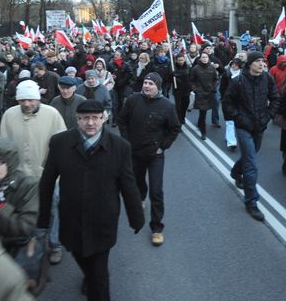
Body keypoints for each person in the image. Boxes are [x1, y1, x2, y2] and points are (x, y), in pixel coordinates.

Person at [38, 100, 144, 301]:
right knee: (79, 254)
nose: (90, 123)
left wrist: (136, 217)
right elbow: (47, 182)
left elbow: (128, 186)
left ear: (104, 118)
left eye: (95, 118)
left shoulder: (120, 147)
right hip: (72, 219)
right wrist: (43, 219)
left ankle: (95, 281)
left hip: (102, 221)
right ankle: (90, 275)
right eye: (85, 118)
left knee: (99, 278)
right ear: (77, 120)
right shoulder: (60, 143)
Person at [0, 79, 66, 263]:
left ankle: (55, 245)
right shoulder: (9, 115)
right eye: (23, 101)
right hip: (19, 177)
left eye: (31, 100)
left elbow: (61, 145)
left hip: (48, 175)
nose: (27, 104)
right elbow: (4, 146)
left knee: (52, 210)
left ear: (38, 98)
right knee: (24, 212)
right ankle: (30, 243)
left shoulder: (52, 114)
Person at [118, 72, 180, 246]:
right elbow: (122, 120)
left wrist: (163, 146)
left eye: (151, 84)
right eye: (145, 82)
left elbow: (174, 128)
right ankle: (140, 197)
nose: (146, 86)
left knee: (157, 191)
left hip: (155, 155)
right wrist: (126, 141)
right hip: (135, 152)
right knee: (138, 183)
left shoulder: (166, 106)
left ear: (158, 87)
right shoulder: (132, 100)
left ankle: (157, 228)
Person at [223, 51, 279, 221]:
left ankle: (235, 171)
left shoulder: (267, 79)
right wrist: (239, 118)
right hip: (243, 127)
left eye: (264, 61)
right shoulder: (237, 81)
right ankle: (251, 202)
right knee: (251, 164)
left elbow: (276, 98)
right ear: (250, 64)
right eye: (259, 61)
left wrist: (268, 116)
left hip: (260, 126)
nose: (262, 64)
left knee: (251, 155)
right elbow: (227, 103)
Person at [190, 51, 218, 140]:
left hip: (209, 93)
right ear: (200, 58)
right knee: (203, 112)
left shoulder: (212, 68)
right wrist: (195, 89)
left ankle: (200, 124)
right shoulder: (195, 69)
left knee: (204, 112)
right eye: (203, 57)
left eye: (206, 57)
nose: (205, 59)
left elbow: (216, 79)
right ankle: (203, 131)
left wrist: (214, 87)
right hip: (200, 93)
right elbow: (191, 80)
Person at [219, 58, 243, 150]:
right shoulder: (226, 74)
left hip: (239, 102)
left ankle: (228, 136)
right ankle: (232, 142)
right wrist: (224, 98)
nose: (234, 66)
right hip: (228, 101)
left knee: (237, 121)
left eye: (236, 64)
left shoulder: (243, 75)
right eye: (233, 64)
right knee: (229, 121)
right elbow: (222, 88)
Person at [172, 53, 192, 125]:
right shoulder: (173, 68)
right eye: (179, 60)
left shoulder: (188, 67)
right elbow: (169, 78)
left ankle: (182, 117)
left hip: (186, 89)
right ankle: (178, 121)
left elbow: (191, 77)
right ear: (176, 61)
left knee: (185, 104)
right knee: (178, 107)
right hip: (177, 90)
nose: (181, 61)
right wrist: (172, 74)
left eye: (182, 60)